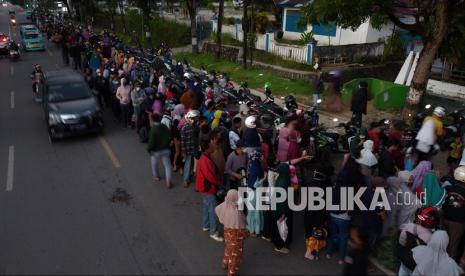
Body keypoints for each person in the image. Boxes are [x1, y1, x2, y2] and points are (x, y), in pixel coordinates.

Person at [215, 189, 249, 276]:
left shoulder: (225, 204)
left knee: (228, 248)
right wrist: (247, 233)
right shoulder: (237, 212)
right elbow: (241, 227)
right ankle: (231, 273)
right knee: (234, 256)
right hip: (236, 239)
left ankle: (224, 263)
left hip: (227, 233)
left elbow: (217, 209)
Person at [196, 140, 223, 242]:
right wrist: (219, 183)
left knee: (206, 207)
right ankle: (213, 232)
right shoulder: (206, 161)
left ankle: (206, 225)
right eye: (211, 145)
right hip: (208, 188)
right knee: (213, 210)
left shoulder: (204, 158)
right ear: (207, 148)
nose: (213, 147)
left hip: (204, 188)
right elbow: (211, 177)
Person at [443, 166, 465, 261]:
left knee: (442, 242)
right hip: (458, 223)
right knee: (453, 245)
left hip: (444, 219)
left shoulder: (447, 188)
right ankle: (448, 266)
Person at [271, 163, 292, 254]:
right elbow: (282, 199)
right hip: (282, 209)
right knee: (281, 226)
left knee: (279, 226)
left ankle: (281, 242)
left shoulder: (281, 178)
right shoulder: (284, 182)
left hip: (278, 207)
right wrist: (283, 213)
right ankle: (279, 246)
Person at [147, 113, 173, 189]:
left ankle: (156, 176)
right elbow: (169, 134)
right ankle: (168, 182)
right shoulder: (164, 126)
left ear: (152, 119)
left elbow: (151, 142)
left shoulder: (153, 129)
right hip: (165, 149)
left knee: (154, 164)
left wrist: (149, 149)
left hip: (156, 151)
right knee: (167, 166)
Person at [181, 110, 200, 188]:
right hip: (188, 150)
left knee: (196, 166)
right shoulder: (184, 128)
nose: (196, 120)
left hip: (196, 149)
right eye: (195, 118)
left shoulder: (197, 127)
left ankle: (197, 181)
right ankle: (186, 180)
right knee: (188, 164)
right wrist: (184, 152)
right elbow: (183, 142)